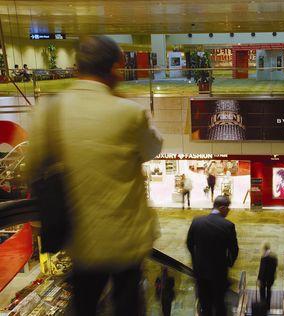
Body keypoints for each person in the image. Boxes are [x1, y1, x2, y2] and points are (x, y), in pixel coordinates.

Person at [26, 35, 163, 316]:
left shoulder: (49, 111)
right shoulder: (128, 112)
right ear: (114, 68)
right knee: (128, 305)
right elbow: (153, 148)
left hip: (79, 242)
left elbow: (31, 169)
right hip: (126, 242)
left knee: (84, 305)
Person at [186, 195, 239, 316]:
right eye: (228, 208)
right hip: (219, 273)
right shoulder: (228, 225)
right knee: (219, 303)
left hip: (200, 272)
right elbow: (234, 250)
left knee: (205, 304)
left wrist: (196, 260)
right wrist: (228, 263)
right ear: (222, 207)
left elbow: (189, 243)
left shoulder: (197, 221)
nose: (229, 211)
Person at [257, 242, 277, 310]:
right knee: (269, 291)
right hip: (271, 278)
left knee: (262, 291)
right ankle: (267, 306)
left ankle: (263, 306)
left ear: (264, 248)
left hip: (263, 278)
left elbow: (261, 269)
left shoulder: (264, 256)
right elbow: (275, 267)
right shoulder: (274, 256)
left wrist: (259, 279)